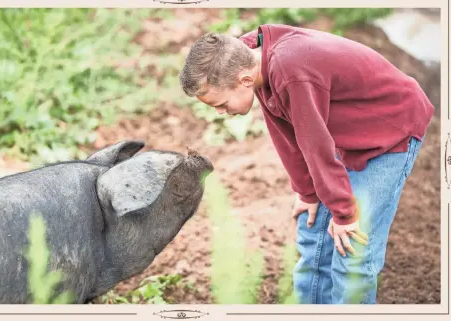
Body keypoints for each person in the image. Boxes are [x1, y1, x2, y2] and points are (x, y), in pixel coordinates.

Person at [178, 24, 434, 304]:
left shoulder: (290, 70)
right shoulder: (250, 58)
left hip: (391, 129)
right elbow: (287, 133)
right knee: (313, 235)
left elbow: (316, 145)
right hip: (347, 134)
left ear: (244, 81)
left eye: (221, 103)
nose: (219, 112)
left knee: (352, 253)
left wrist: (344, 214)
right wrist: (307, 192)